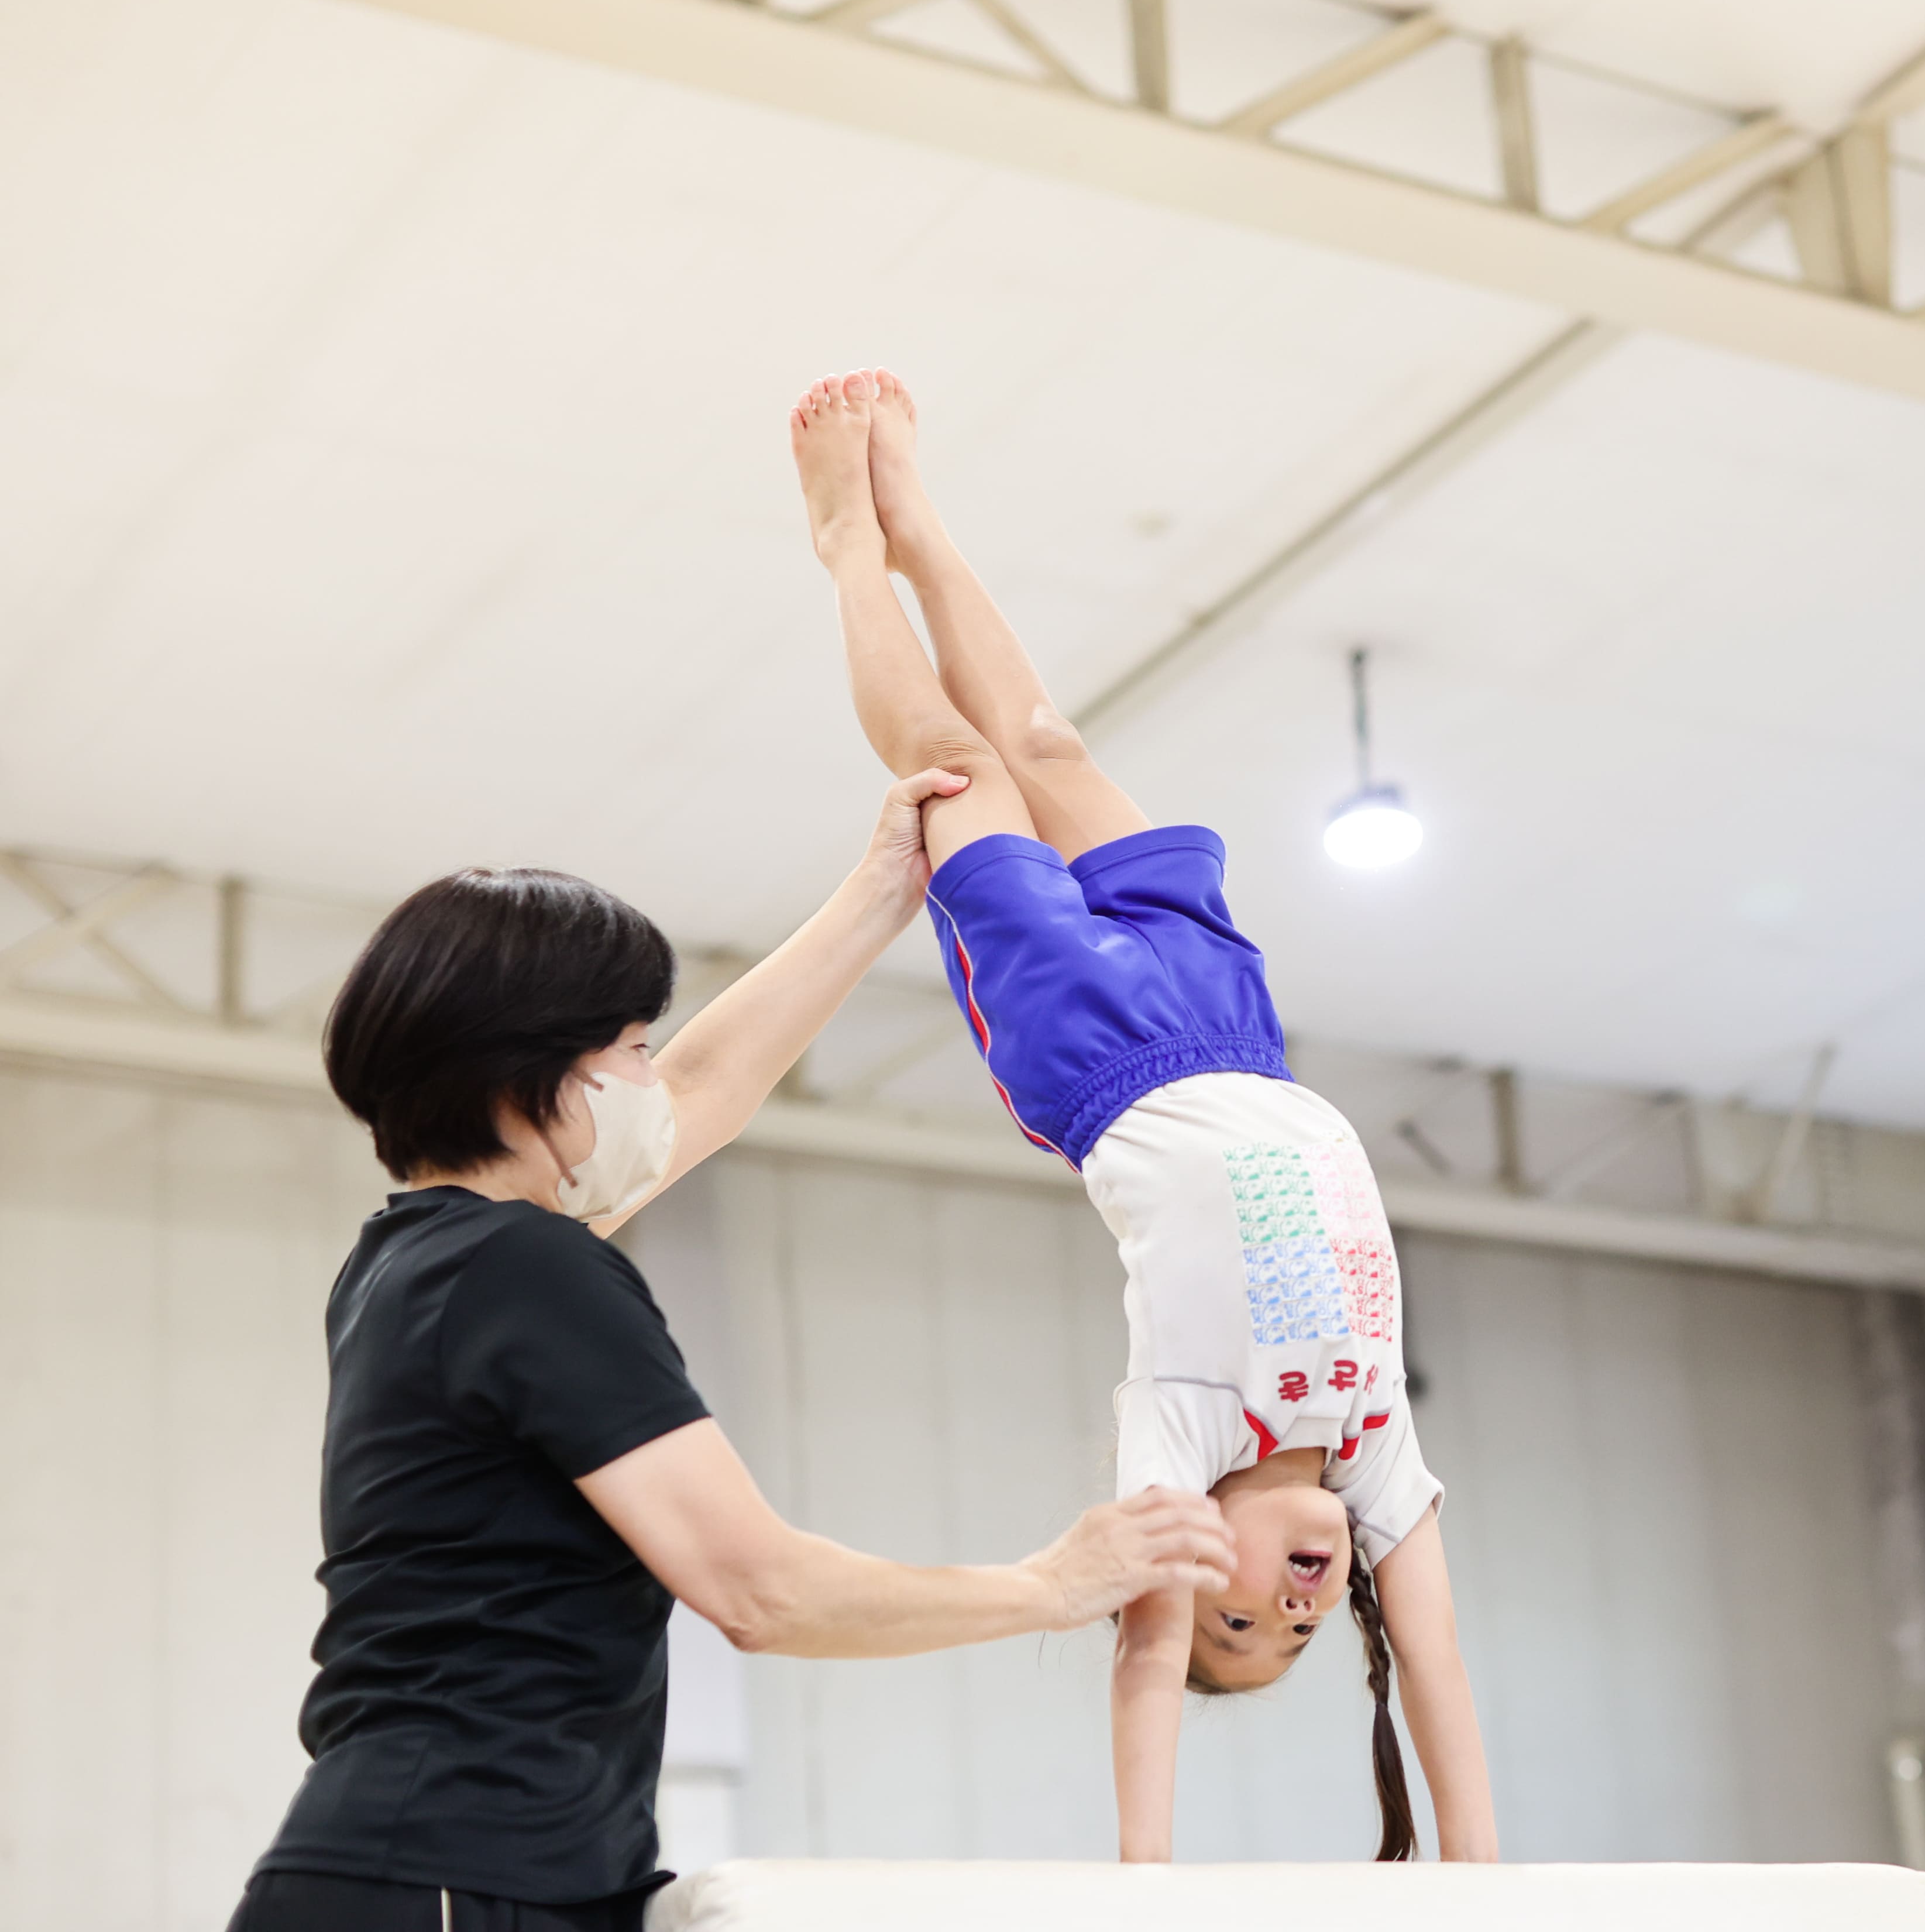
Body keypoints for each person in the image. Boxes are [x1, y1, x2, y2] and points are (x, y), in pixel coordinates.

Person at [228, 767, 1240, 1931]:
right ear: (528, 1084)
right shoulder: (522, 1269)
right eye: (632, 1051)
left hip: (441, 1868)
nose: (655, 1082)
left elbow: (710, 1089)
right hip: (456, 1876)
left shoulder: (416, 1265)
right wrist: (1053, 1585)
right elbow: (762, 1593)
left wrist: (880, 891)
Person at [791, 368, 1498, 1865]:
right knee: (1046, 746)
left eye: (1229, 1618)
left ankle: (852, 549)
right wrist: (1483, 1879)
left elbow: (1141, 1663)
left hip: (1090, 1058)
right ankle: (922, 523)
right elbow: (1433, 1663)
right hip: (1238, 1031)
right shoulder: (1376, 1453)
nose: (1285, 1605)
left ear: (1188, 1566)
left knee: (959, 769)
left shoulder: (1179, 1440)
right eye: (1294, 1632)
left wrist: (1145, 1883)